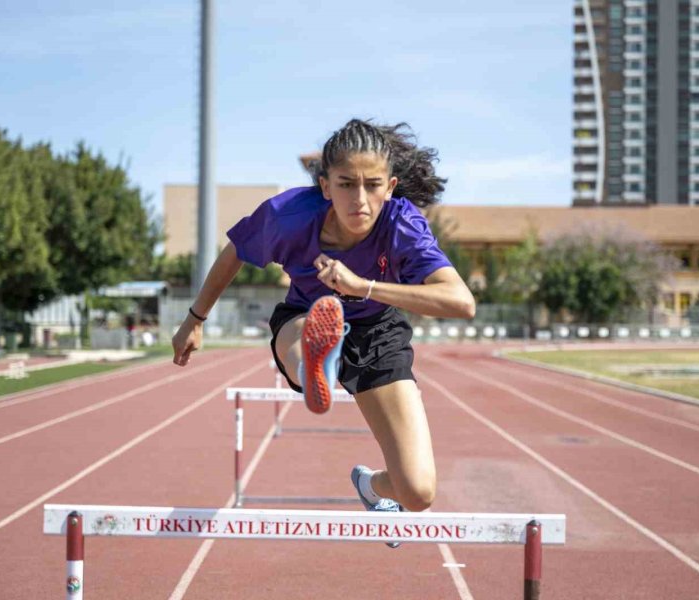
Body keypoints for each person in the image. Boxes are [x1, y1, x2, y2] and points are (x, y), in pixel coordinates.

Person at [172, 119, 475, 546]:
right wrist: (194, 319)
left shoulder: (402, 224)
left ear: (390, 187)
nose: (360, 199)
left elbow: (461, 301)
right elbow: (235, 252)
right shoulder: (288, 216)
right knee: (304, 349)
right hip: (306, 315)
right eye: (346, 184)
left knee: (419, 492)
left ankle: (371, 487)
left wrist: (362, 287)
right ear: (325, 186)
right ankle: (319, 363)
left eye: (372, 185)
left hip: (379, 333)